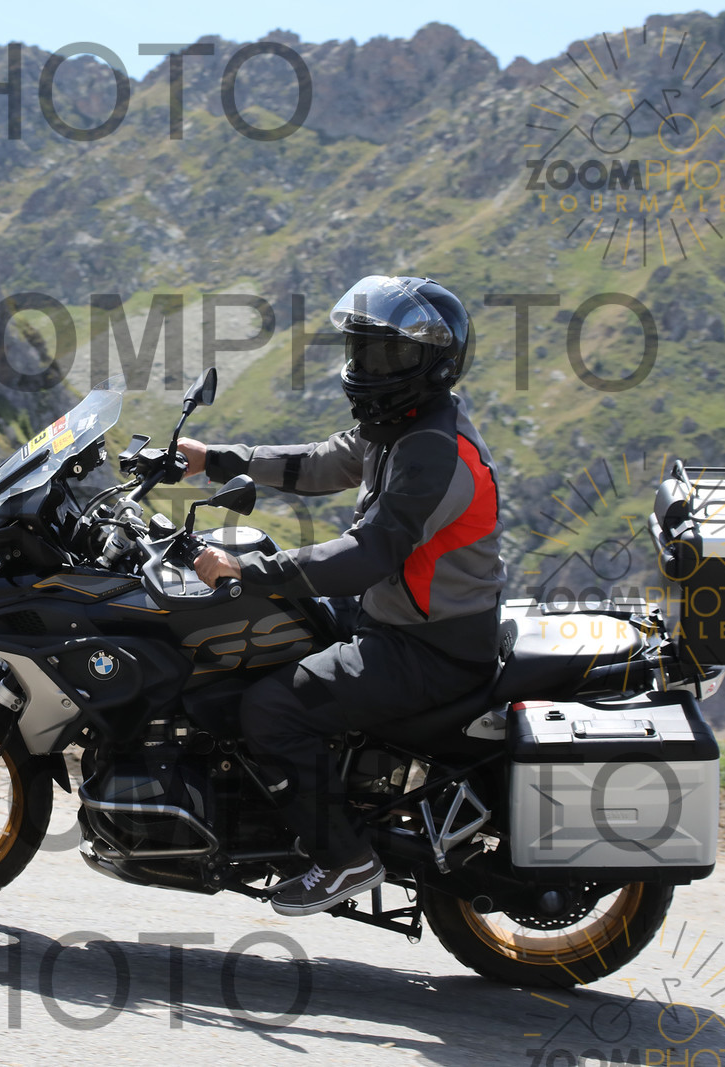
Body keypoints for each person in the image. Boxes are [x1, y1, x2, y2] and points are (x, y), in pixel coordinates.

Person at [178, 275, 506, 917]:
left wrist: (250, 572)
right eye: (362, 351)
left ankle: (344, 857)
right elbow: (323, 462)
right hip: (393, 615)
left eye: (385, 355)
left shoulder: (435, 453)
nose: (366, 367)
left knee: (273, 710)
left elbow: (367, 556)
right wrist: (213, 458)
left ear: (430, 364)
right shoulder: (404, 424)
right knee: (264, 638)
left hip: (428, 646)